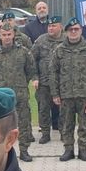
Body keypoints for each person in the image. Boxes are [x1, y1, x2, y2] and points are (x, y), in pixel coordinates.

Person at [52, 17, 86, 162]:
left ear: (81, 30)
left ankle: (83, 150)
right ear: (66, 32)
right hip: (66, 94)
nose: (73, 32)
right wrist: (55, 93)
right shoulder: (59, 50)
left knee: (84, 124)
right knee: (67, 124)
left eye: (76, 29)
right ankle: (68, 150)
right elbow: (53, 72)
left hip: (85, 94)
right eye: (71, 30)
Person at [0, 23, 36, 162]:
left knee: (24, 122)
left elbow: (30, 69)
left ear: (14, 35)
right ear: (0, 35)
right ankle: (4, 151)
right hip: (2, 95)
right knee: (3, 125)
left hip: (20, 93)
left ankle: (24, 150)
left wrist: (22, 82)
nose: (7, 37)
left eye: (9, 35)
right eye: (4, 35)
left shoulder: (24, 51)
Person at [30, 15, 64, 144]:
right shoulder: (41, 40)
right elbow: (32, 60)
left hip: (62, 83)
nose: (51, 28)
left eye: (54, 26)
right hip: (44, 82)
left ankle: (63, 132)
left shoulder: (66, 40)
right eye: (49, 26)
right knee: (43, 109)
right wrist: (35, 77)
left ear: (60, 26)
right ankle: (45, 133)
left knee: (63, 109)